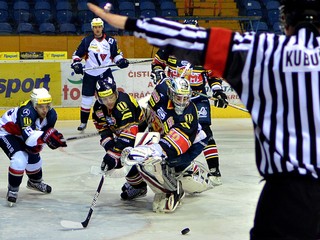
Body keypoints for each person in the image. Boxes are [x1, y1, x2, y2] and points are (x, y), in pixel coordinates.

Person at [87, 0, 320, 238]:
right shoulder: (164, 90)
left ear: (287, 22)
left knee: (197, 133)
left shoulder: (263, 48)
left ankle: (202, 172)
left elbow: (188, 38)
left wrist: (126, 21)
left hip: (290, 193)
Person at [151, 18, 228, 185]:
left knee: (204, 131)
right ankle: (173, 163)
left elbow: (213, 75)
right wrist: (158, 73)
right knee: (170, 128)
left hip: (197, 97)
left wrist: (218, 91)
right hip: (173, 96)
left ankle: (214, 169)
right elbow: (157, 64)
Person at [119, 76, 209, 213]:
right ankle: (138, 186)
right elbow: (148, 110)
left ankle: (174, 190)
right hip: (161, 135)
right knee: (130, 154)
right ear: (171, 93)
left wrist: (149, 151)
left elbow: (171, 146)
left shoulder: (188, 116)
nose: (183, 102)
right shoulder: (161, 90)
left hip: (190, 145)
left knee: (153, 161)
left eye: (186, 98)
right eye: (179, 98)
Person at [0, 88, 67, 206]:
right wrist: (45, 137)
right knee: (20, 159)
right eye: (41, 106)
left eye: (47, 106)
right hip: (7, 132)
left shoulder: (52, 114)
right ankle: (13, 189)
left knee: (35, 158)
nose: (45, 109)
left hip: (22, 135)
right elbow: (29, 138)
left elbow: (45, 133)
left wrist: (54, 138)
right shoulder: (27, 111)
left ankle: (34, 182)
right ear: (35, 105)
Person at [71, 17, 129, 132]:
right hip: (89, 73)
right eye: (95, 27)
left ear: (102, 27)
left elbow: (116, 55)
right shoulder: (87, 41)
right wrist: (76, 64)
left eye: (99, 27)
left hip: (105, 73)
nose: (97, 29)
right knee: (86, 99)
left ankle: (111, 118)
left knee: (109, 98)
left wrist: (120, 61)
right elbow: (76, 55)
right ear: (92, 28)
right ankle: (83, 122)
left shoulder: (111, 41)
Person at [92, 77, 144, 177]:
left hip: (143, 132)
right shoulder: (98, 108)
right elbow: (103, 128)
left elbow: (129, 134)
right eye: (104, 99)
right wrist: (109, 146)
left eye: (111, 97)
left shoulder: (123, 104)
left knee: (128, 158)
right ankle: (135, 185)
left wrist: (114, 153)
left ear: (116, 93)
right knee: (119, 159)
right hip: (122, 133)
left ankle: (138, 186)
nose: (109, 102)